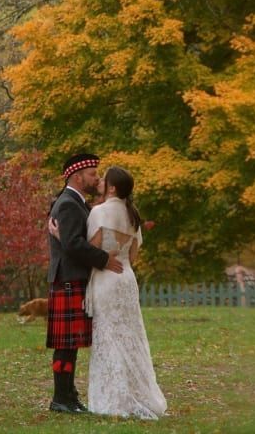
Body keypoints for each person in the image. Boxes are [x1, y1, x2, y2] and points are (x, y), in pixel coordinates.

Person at [51, 166, 167, 420]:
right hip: (125, 278)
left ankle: (114, 397)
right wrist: (119, 258)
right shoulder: (133, 215)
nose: (99, 180)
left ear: (112, 188)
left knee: (109, 336)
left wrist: (60, 237)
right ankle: (140, 393)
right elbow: (133, 255)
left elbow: (89, 249)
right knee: (130, 335)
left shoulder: (99, 212)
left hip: (105, 279)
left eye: (104, 179)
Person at [46, 153, 124, 414]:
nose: (96, 178)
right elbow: (72, 244)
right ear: (77, 177)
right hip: (68, 280)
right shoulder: (68, 203)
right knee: (66, 346)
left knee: (69, 346)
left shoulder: (75, 202)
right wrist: (104, 259)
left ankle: (68, 396)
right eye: (92, 174)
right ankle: (61, 398)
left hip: (70, 279)